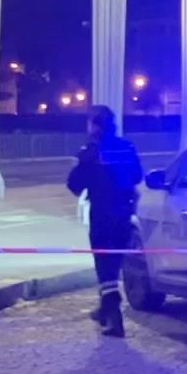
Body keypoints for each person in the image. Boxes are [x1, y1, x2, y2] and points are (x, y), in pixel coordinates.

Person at [66, 105, 144, 338]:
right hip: (124, 214)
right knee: (114, 263)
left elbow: (74, 185)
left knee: (104, 265)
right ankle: (104, 309)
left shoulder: (91, 151)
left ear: (95, 125)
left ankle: (114, 319)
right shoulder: (127, 147)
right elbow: (137, 176)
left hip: (102, 214)